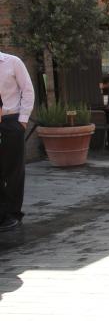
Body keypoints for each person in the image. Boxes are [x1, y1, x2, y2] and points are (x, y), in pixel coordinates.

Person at [0, 50, 35, 231]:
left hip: (10, 121)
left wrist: (22, 121)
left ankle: (13, 214)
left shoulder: (13, 62)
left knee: (13, 170)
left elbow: (27, 90)